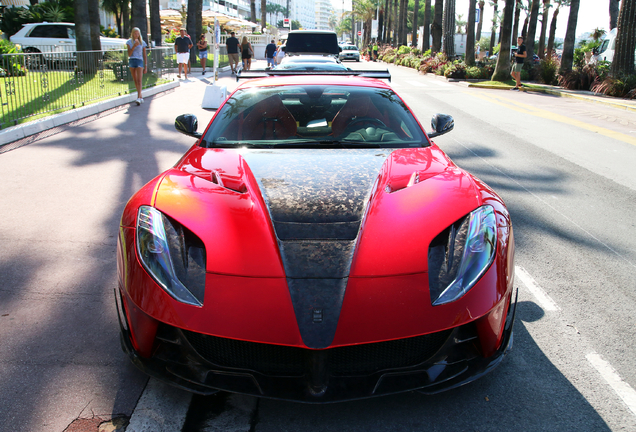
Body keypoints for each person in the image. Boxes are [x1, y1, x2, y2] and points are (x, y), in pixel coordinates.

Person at [126, 27, 147, 106]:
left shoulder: (142, 43)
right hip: (132, 60)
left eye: (138, 34)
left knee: (139, 80)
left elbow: (144, 55)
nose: (136, 35)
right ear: (132, 33)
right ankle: (140, 96)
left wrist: (146, 66)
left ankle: (138, 97)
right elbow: (129, 54)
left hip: (139, 61)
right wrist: (134, 46)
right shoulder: (129, 42)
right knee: (135, 80)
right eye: (135, 33)